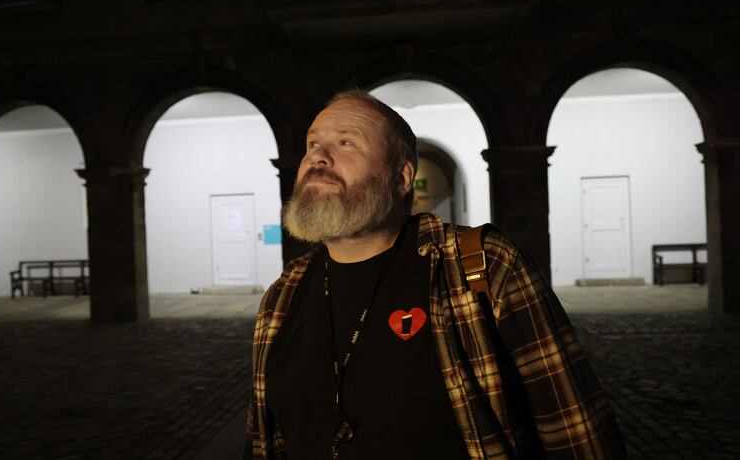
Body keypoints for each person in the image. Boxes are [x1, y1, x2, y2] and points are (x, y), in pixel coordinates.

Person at [244, 90, 626, 459]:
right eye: (312, 144)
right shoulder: (283, 295)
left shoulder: (485, 266)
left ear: (401, 178)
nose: (319, 158)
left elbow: (577, 433)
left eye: (346, 143)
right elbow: (264, 441)